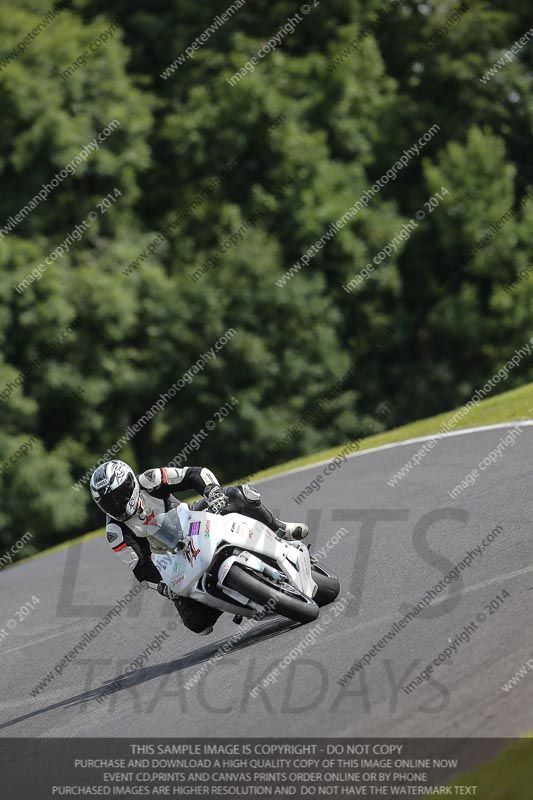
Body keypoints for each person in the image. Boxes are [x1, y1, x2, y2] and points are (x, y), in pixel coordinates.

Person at [89, 460, 309, 635]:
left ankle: (279, 528)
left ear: (130, 484)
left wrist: (212, 492)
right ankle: (232, 596)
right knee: (198, 624)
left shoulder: (151, 480)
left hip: (191, 521)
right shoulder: (115, 533)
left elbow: (195, 473)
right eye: (108, 502)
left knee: (236, 495)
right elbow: (141, 568)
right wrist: (163, 586)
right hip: (171, 559)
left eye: (118, 496)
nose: (116, 505)